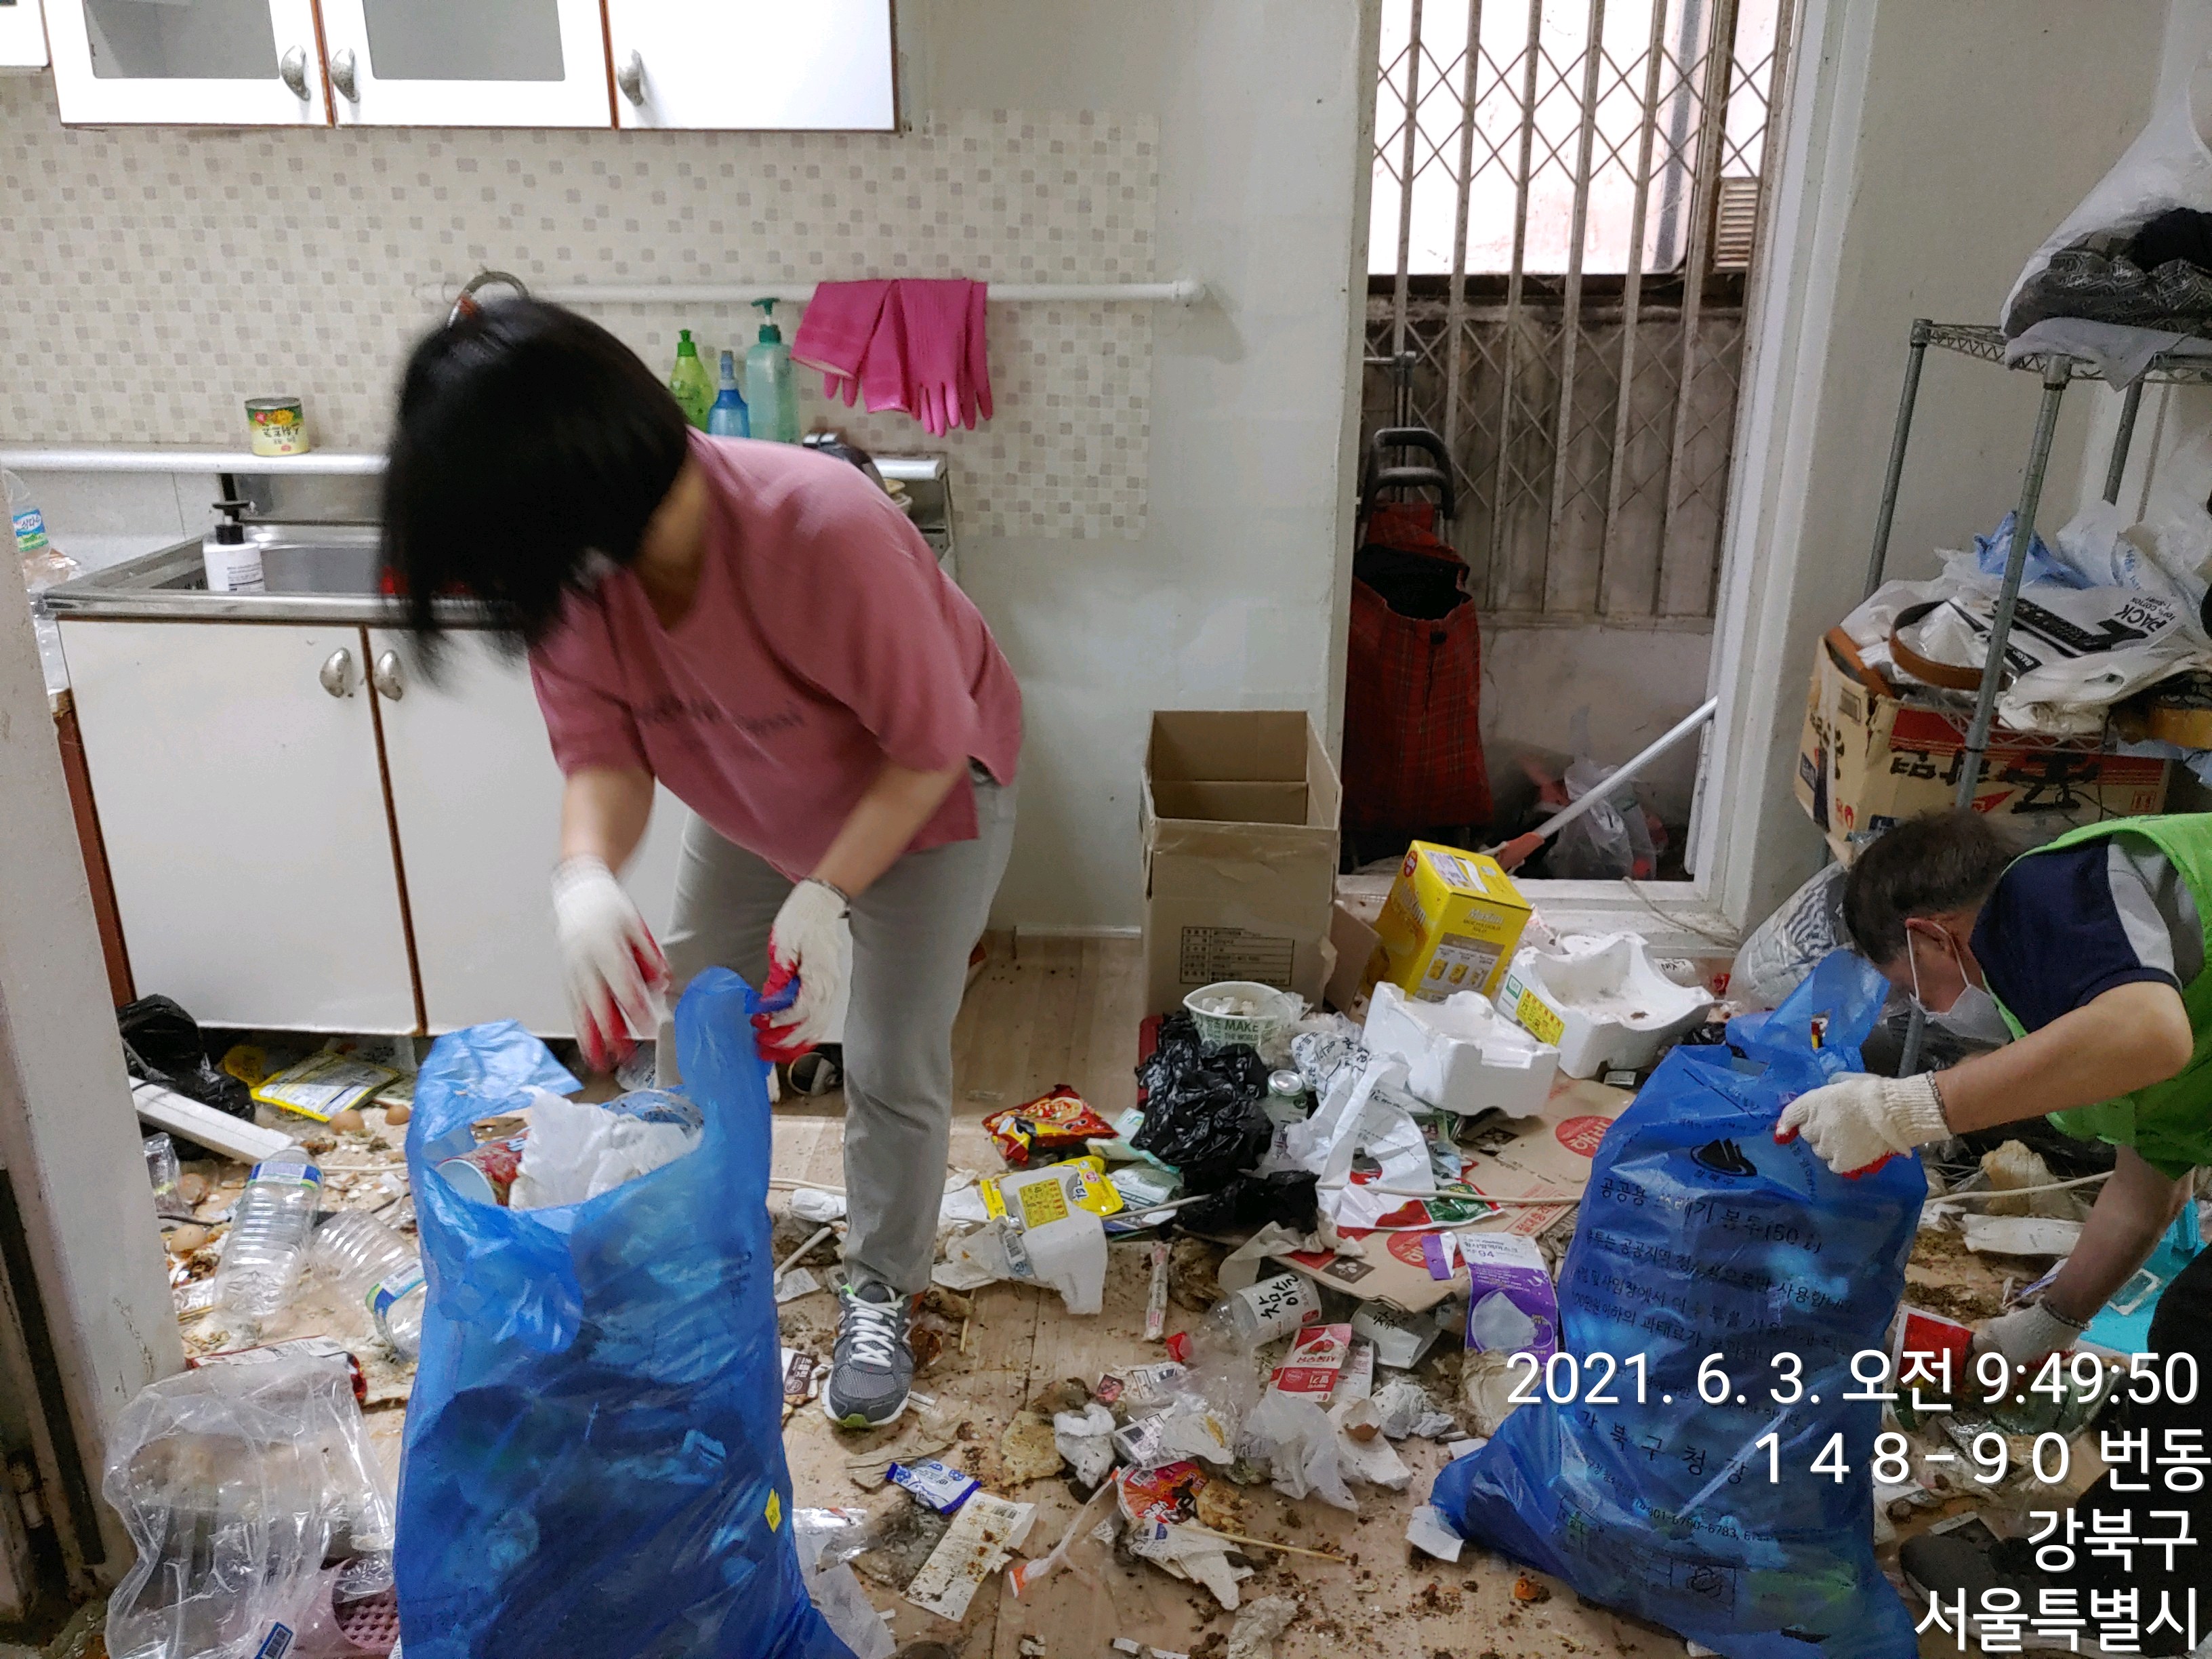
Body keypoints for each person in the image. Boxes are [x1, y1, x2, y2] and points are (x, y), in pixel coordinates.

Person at [383, 300, 1021, 1431]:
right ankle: (692, 1246)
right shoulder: (581, 578)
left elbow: (927, 747)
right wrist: (583, 875)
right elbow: (606, 756)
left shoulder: (824, 530)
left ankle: (880, 1283)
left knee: (890, 1057)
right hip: (750, 783)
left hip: (922, 792)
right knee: (694, 1019)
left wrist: (827, 893)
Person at [1778, 810, 2205, 1652]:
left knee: (2203, 1333)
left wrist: (1908, 1109)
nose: (1930, 1010)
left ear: (1931, 936)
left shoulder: (2049, 891)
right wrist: (2047, 1324)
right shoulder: (2111, 978)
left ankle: (2108, 1606)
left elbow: (2150, 1032)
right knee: (2154, 1402)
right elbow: (2144, 1188)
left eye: (1914, 989)